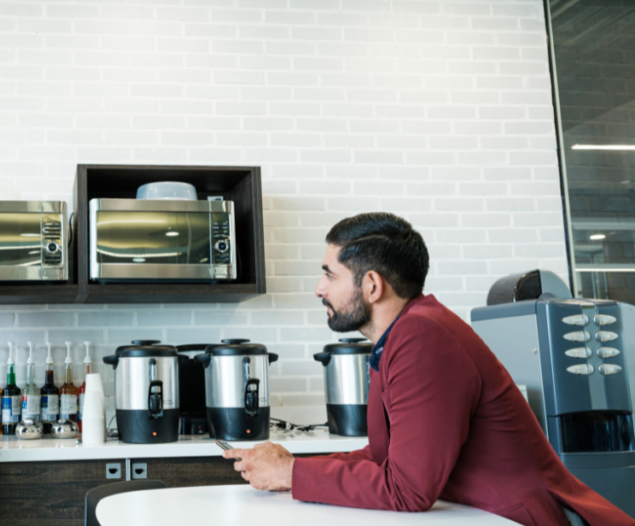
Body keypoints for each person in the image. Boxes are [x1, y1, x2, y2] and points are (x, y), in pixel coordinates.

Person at [225, 213, 633, 526]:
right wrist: (292, 469)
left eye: (329, 274)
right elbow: (385, 459)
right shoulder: (404, 334)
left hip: (515, 519)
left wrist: (293, 473)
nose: (320, 288)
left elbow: (408, 490)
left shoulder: (423, 338)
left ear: (371, 285)